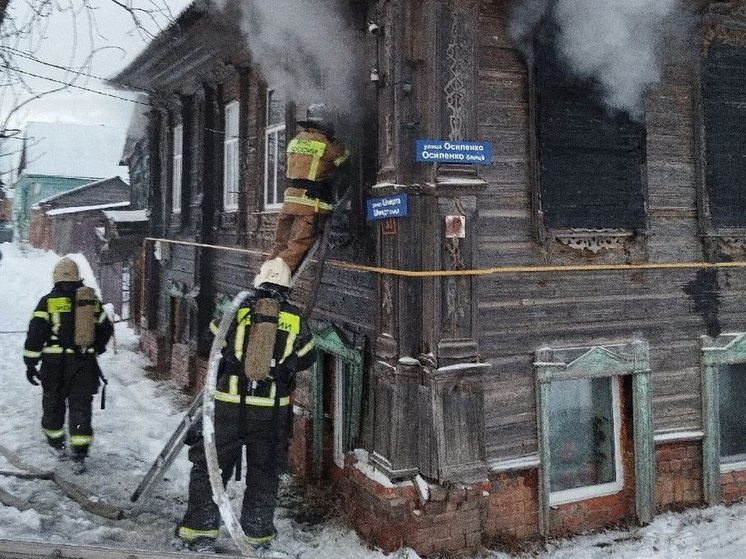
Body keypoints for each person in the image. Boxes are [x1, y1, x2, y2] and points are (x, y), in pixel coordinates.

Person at [174, 258, 317, 553]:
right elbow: (308, 357)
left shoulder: (236, 309)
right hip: (271, 411)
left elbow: (210, 341)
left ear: (259, 282)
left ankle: (199, 531)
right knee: (264, 473)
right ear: (286, 288)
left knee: (211, 468)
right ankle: (256, 535)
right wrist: (281, 365)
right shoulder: (294, 318)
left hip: (228, 406)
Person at [23, 257, 113, 474]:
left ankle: (57, 443)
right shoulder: (90, 301)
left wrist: (30, 363)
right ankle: (79, 454)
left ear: (55, 277)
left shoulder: (48, 302)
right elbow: (106, 329)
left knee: (53, 404)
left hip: (54, 366)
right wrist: (94, 349)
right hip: (83, 364)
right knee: (81, 407)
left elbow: (36, 334)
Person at [268, 103, 350, 274]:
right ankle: (276, 279)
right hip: (311, 203)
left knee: (280, 244)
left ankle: (266, 277)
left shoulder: (296, 140)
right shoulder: (329, 144)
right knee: (299, 244)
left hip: (289, 200)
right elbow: (347, 166)